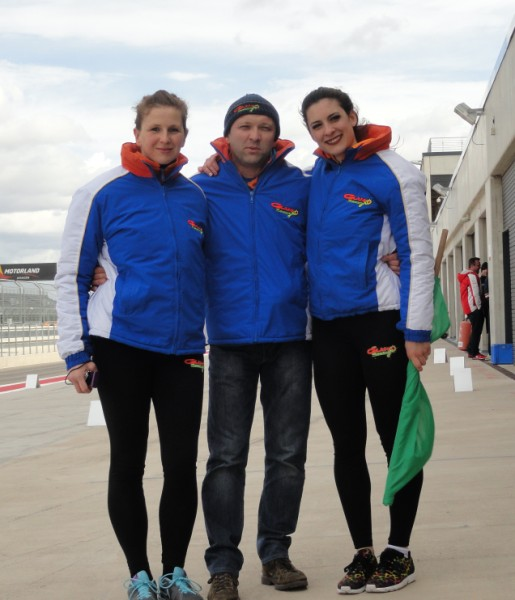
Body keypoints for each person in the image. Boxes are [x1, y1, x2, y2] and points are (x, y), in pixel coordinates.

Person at [55, 90, 207, 600]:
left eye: (174, 129)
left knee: (182, 466)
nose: (165, 138)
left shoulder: (196, 195)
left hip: (183, 349)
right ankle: (139, 575)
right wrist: (75, 353)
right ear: (137, 133)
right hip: (121, 345)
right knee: (128, 462)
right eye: (155, 129)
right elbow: (72, 275)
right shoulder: (100, 191)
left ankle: (174, 573)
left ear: (185, 134)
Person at [300, 87, 434, 594]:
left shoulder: (395, 172)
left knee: (394, 438)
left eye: (334, 118)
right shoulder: (314, 178)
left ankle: (399, 550)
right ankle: (362, 552)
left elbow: (417, 252)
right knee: (346, 445)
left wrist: (416, 331)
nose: (328, 130)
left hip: (382, 323)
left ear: (352, 116)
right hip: (328, 330)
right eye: (316, 124)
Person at [193, 94, 313, 600]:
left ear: (275, 135)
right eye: (245, 127)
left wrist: (388, 256)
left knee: (287, 455)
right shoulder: (200, 188)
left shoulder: (301, 186)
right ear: (228, 134)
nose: (255, 135)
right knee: (226, 458)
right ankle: (223, 566)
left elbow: (343, 231)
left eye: (265, 126)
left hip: (290, 340)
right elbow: (160, 238)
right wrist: (100, 270)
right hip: (228, 341)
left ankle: (276, 555)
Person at [457, 257, 487, 360]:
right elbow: (475, 293)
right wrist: (479, 307)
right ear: (472, 266)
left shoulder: (466, 276)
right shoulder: (472, 276)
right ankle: (474, 353)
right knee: (476, 331)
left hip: (469, 308)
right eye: (478, 265)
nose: (479, 267)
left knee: (475, 330)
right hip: (474, 307)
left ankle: (471, 351)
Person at [480, 262, 490, 354]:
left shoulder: (488, 278)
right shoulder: (481, 280)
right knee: (487, 327)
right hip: (484, 307)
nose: (486, 271)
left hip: (487, 307)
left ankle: (489, 349)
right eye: (484, 269)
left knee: (489, 327)